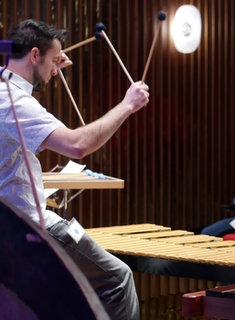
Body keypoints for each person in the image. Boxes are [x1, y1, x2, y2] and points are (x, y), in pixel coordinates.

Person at [0, 19, 149, 319]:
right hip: (29, 228)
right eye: (53, 61)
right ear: (33, 56)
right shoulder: (15, 102)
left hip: (11, 228)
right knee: (118, 280)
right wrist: (127, 105)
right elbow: (78, 145)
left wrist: (50, 61)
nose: (56, 70)